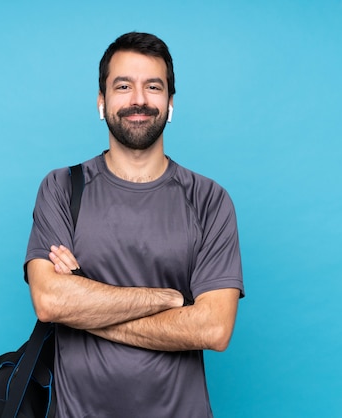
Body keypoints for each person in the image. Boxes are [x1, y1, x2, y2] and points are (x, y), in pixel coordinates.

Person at [24, 32, 244, 418]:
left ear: (170, 104)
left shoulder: (209, 200)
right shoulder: (61, 188)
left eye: (153, 87)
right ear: (101, 102)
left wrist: (86, 308)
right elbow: (51, 301)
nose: (138, 100)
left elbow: (213, 329)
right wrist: (170, 298)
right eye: (123, 86)